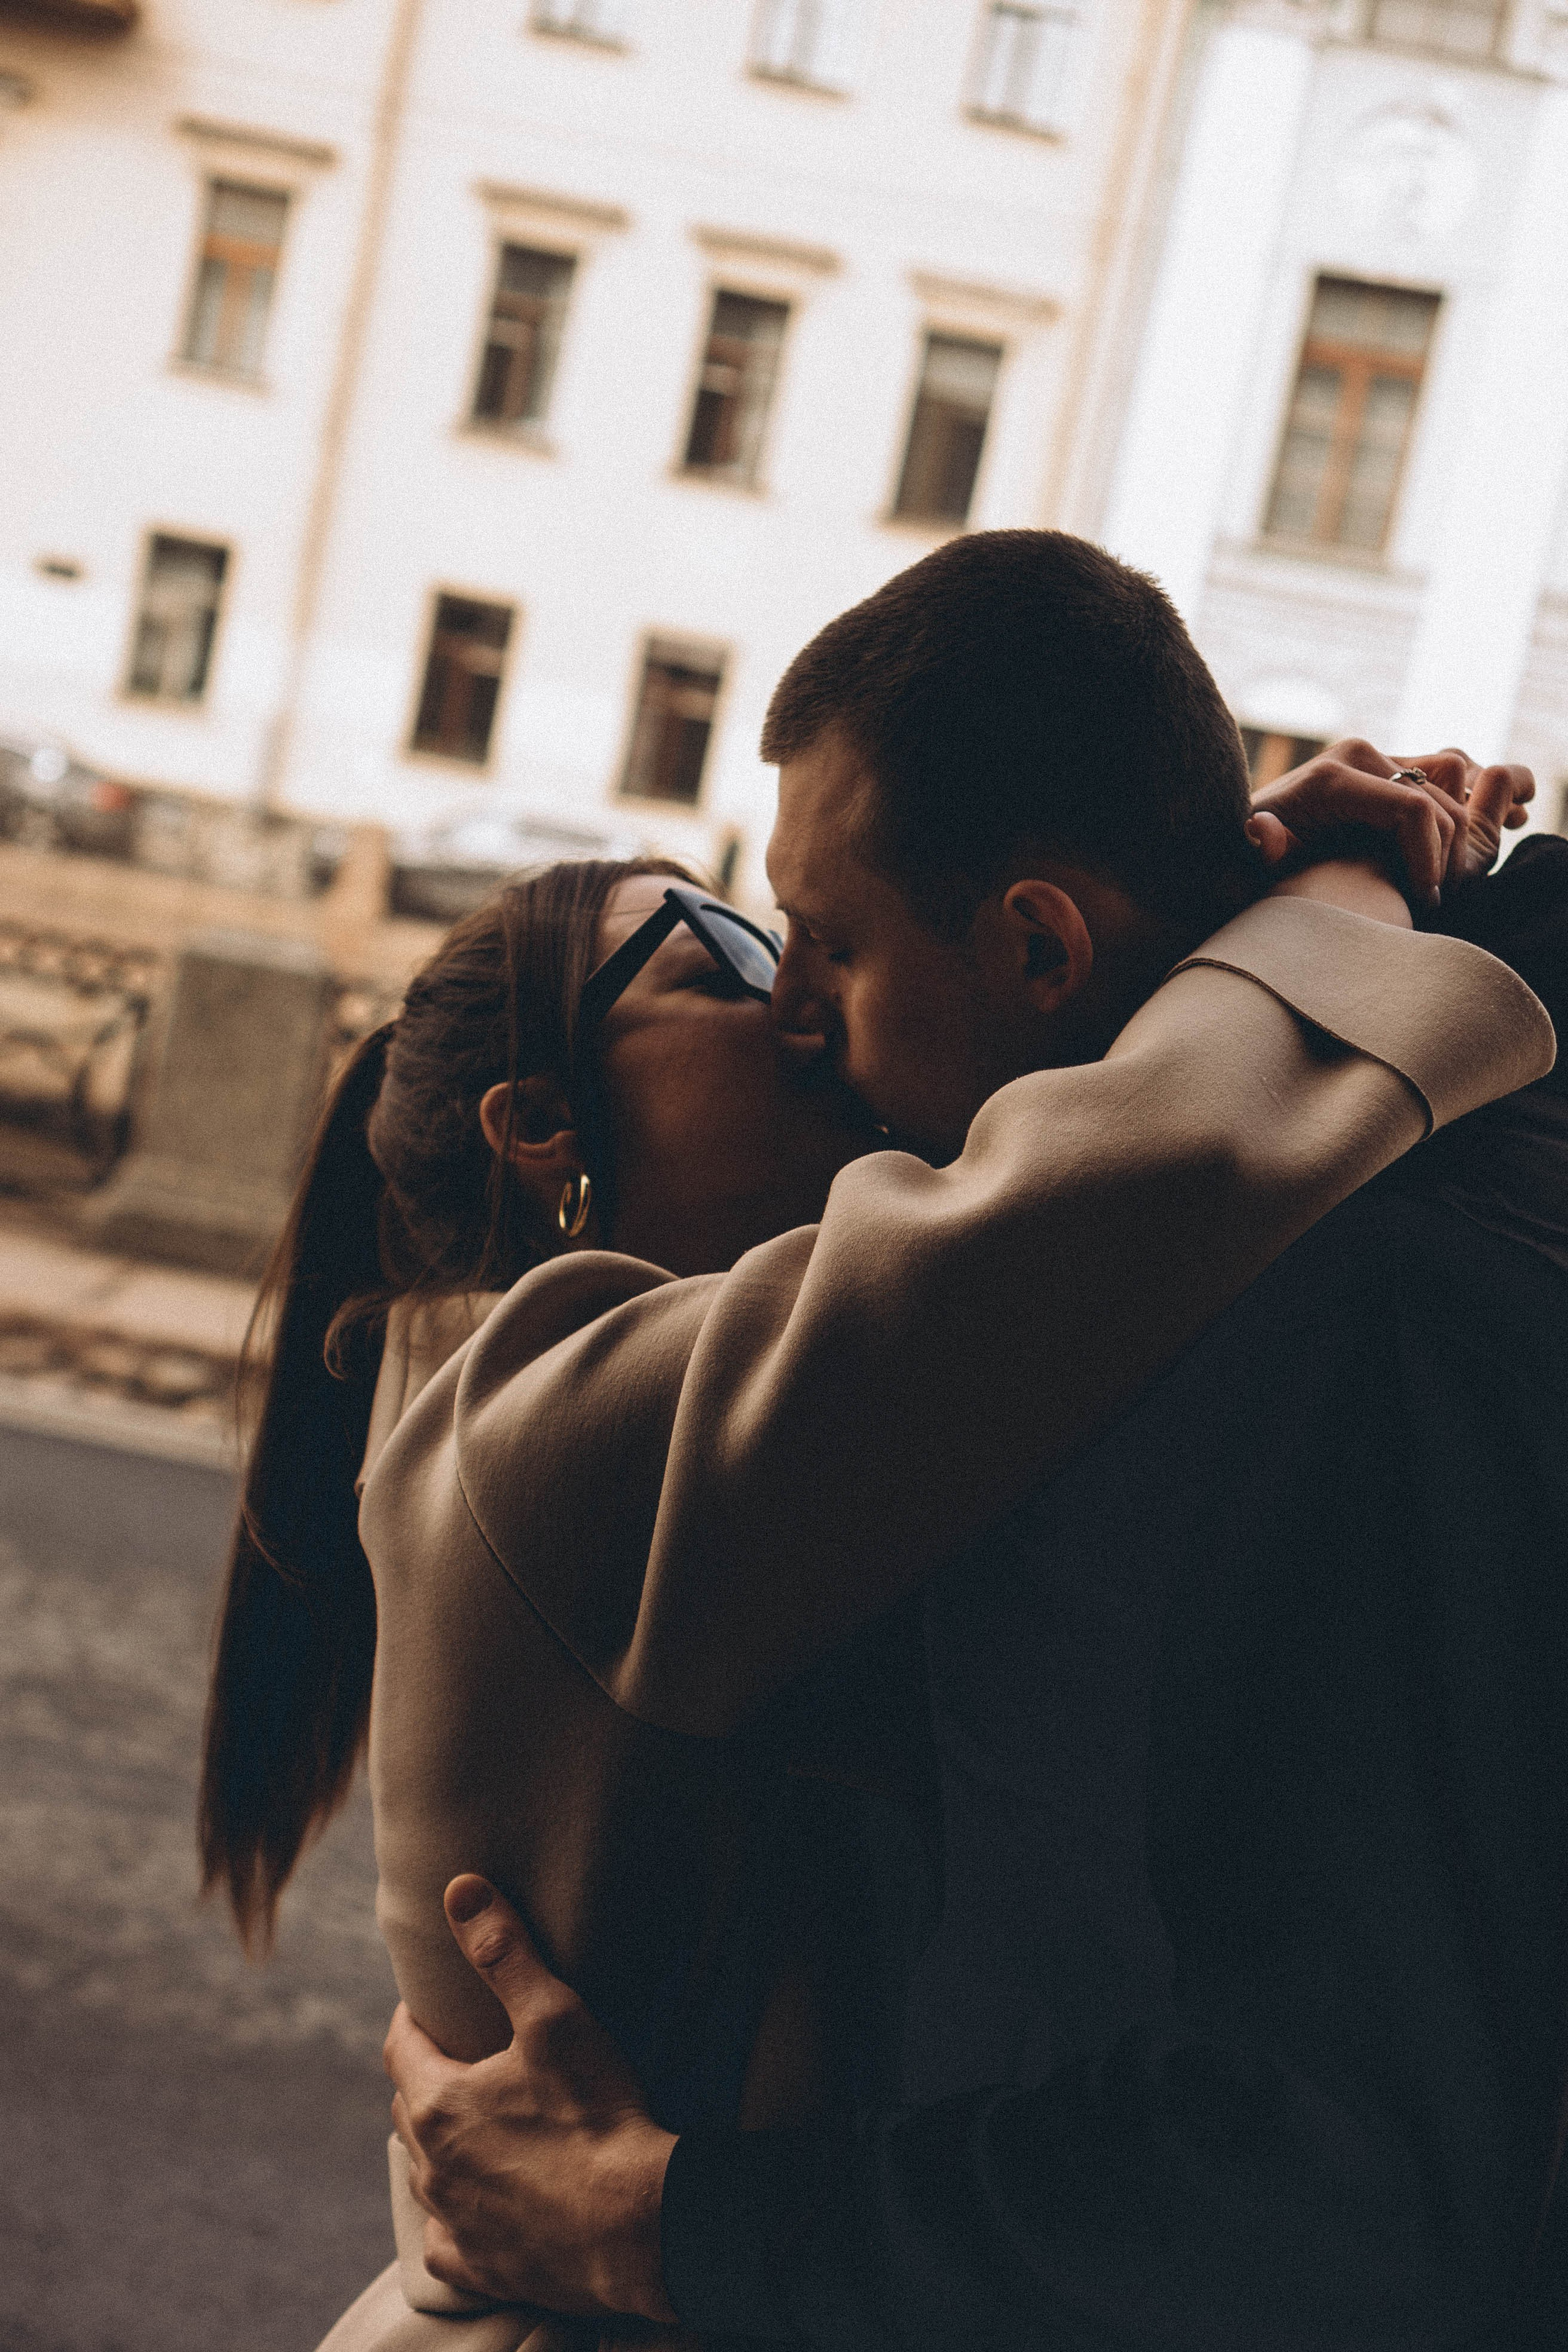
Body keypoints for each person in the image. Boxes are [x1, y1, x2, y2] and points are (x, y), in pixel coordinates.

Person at [376, 536, 1562, 2350]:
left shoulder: (1222, 1340)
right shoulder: (533, 1423)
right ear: (540, 1132)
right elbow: (1133, 1148)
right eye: (731, 943)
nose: (794, 998)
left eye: (813, 937)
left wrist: (686, 2227)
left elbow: (1311, 2170)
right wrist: (1309, 888)